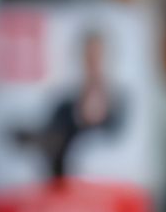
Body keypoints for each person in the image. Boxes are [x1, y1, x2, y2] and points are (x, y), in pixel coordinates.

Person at [11, 27, 126, 180]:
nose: (93, 62)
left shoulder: (119, 101)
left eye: (97, 56)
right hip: (69, 183)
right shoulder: (65, 105)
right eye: (89, 56)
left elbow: (115, 135)